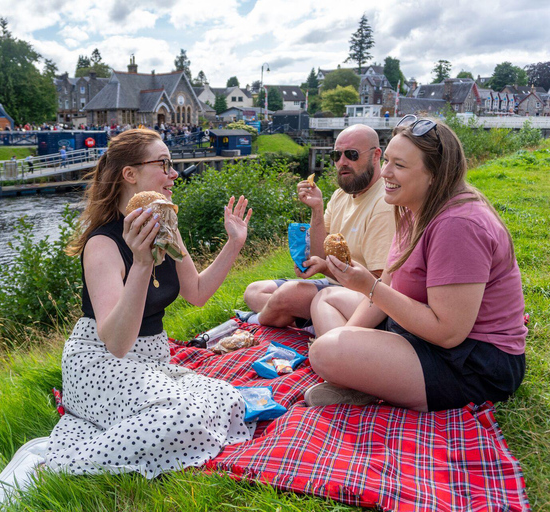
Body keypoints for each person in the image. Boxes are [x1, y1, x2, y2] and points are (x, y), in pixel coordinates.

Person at [35, 128, 254, 478]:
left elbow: (196, 293)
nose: (174, 174)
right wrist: (140, 263)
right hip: (100, 362)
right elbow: (117, 343)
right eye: (164, 164)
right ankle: (64, 466)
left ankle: (121, 430)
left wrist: (235, 243)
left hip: (151, 361)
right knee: (181, 415)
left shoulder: (166, 223)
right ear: (130, 174)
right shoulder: (102, 245)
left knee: (228, 398)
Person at [304, 116, 527, 411]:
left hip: (472, 362)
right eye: (387, 161)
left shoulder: (458, 225)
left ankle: (363, 376)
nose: (384, 173)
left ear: (434, 174)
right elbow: (392, 284)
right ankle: (361, 377)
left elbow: (448, 333)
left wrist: (368, 288)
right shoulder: (413, 208)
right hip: (418, 331)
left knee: (323, 352)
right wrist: (346, 339)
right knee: (326, 298)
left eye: (399, 165)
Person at [240, 124, 395, 329]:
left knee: (286, 295)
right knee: (253, 291)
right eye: (336, 155)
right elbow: (319, 255)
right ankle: (308, 320)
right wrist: (316, 208)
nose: (342, 162)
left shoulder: (384, 203)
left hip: (361, 298)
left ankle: (257, 320)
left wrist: (323, 268)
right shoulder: (342, 195)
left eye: (351, 154)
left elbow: (378, 284)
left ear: (376, 155)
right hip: (335, 285)